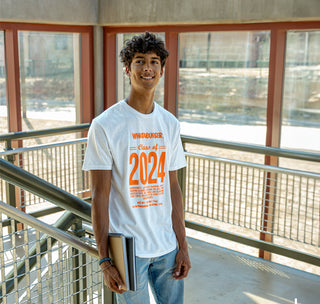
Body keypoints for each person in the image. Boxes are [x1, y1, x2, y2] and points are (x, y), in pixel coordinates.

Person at [82, 31, 191, 304]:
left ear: (162, 70)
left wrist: (183, 246)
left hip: (167, 247)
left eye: (154, 62)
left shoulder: (169, 124)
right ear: (127, 69)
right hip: (128, 251)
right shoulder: (105, 125)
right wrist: (105, 260)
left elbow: (173, 188)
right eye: (140, 61)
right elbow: (99, 196)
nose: (148, 68)